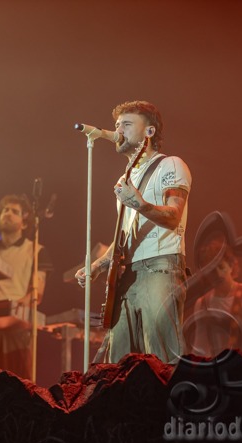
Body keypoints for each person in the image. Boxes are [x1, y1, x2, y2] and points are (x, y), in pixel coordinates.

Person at [75, 100, 191, 364]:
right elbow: (125, 236)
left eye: (126, 124)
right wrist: (98, 265)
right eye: (117, 124)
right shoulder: (124, 179)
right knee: (119, 360)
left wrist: (140, 204)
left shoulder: (170, 165)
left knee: (162, 357)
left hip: (160, 267)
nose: (118, 130)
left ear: (149, 131)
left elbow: (174, 216)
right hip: (128, 274)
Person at [0, 194, 53, 380]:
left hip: (16, 330)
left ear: (25, 222)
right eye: (5, 210)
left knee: (15, 387)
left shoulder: (36, 250)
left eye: (14, 211)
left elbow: (35, 296)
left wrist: (7, 318)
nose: (8, 214)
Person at [186, 237, 242, 357]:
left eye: (221, 267)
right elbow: (200, 348)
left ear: (231, 266)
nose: (218, 274)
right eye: (212, 271)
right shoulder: (202, 304)